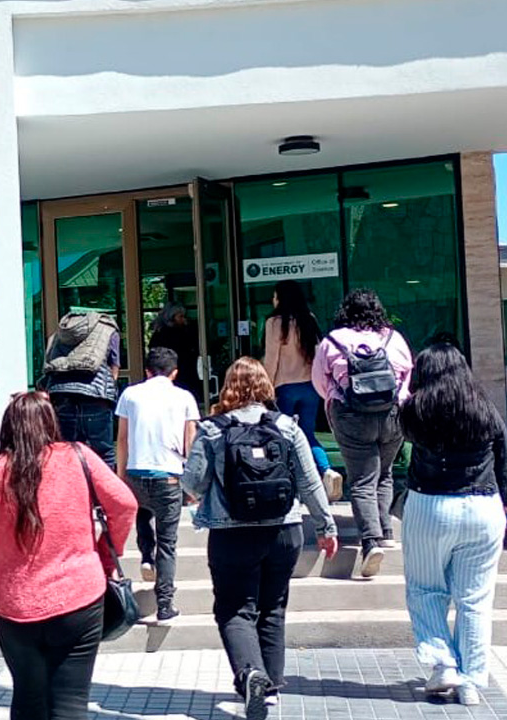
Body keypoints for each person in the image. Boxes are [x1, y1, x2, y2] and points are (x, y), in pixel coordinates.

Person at [0, 391, 136, 720]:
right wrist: (105, 552)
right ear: (51, 423)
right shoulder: (78, 457)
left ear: (8, 428)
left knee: (27, 700)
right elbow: (124, 504)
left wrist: (3, 554)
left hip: (15, 604)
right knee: (70, 702)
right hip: (79, 597)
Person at [182, 357, 338, 720]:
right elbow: (309, 481)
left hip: (232, 534)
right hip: (284, 531)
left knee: (235, 609)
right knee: (273, 607)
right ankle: (271, 689)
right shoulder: (287, 426)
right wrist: (326, 527)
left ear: (228, 387)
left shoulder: (213, 429)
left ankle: (250, 673)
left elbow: (193, 484)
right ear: (266, 386)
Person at [399, 344, 506, 707]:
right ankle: (472, 681)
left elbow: (401, 439)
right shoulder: (484, 407)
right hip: (484, 506)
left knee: (425, 590)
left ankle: (443, 662)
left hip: (430, 505)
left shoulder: (416, 408)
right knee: (475, 600)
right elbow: (503, 456)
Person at [313, 289, 412, 577]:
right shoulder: (393, 338)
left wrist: (337, 398)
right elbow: (407, 374)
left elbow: (319, 381)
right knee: (385, 472)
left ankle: (370, 542)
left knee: (362, 479)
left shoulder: (333, 340)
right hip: (392, 414)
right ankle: (386, 531)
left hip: (351, 415)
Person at [115, 347, 198, 622]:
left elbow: (122, 439)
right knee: (168, 542)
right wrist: (192, 484)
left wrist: (121, 475)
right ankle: (164, 604)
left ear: (147, 371)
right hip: (169, 476)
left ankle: (145, 556)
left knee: (141, 514)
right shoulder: (184, 397)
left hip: (136, 471)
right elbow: (190, 443)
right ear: (175, 373)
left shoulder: (130, 394)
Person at [263, 280, 343, 499]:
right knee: (307, 433)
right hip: (310, 386)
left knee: (283, 436)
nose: (273, 299)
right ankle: (326, 470)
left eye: (275, 295)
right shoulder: (309, 319)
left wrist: (265, 387)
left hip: (285, 386)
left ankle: (291, 482)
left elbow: (271, 359)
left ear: (281, 298)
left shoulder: (275, 322)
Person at [39, 311, 120, 468]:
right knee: (103, 454)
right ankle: (103, 484)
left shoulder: (59, 334)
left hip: (61, 397)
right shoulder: (108, 329)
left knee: (67, 453)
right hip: (96, 397)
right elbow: (114, 369)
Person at [148, 301, 201, 403]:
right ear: (171, 317)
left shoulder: (161, 333)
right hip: (178, 372)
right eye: (180, 316)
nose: (183, 319)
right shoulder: (172, 334)